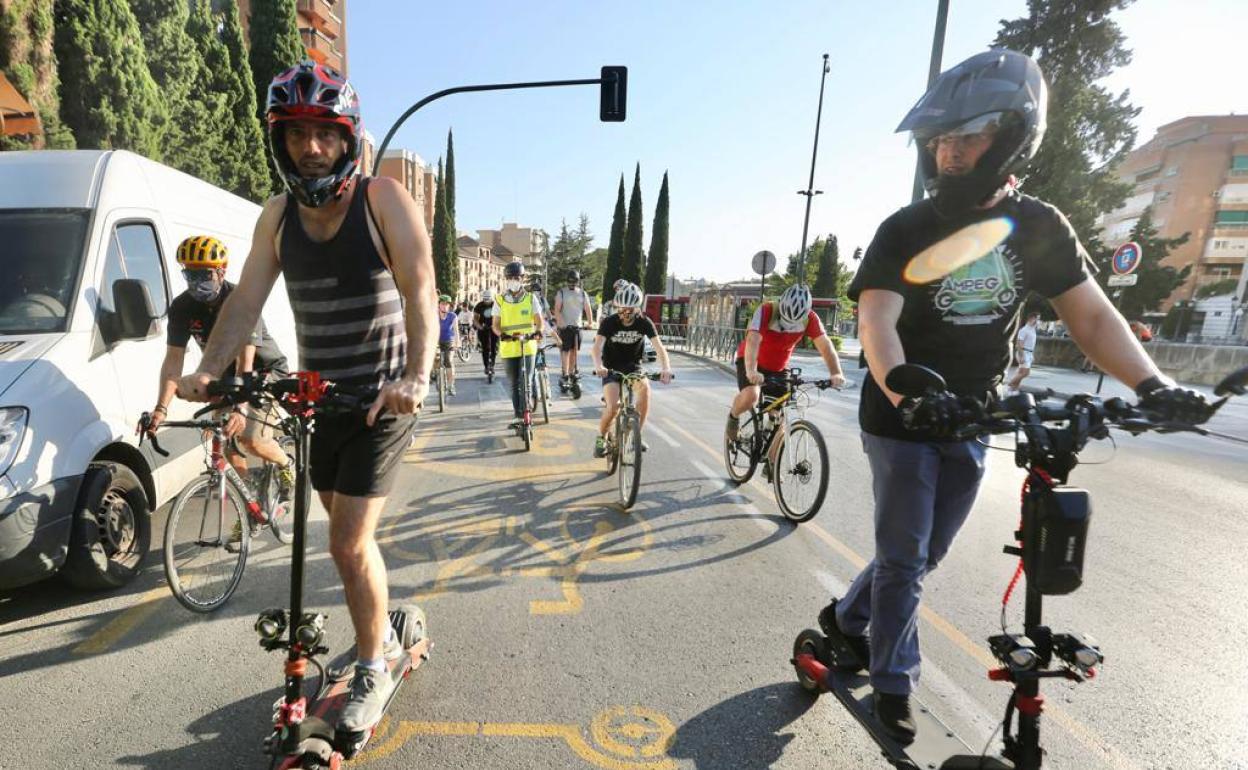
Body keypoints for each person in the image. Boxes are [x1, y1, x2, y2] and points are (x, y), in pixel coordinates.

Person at [817, 49, 1213, 743]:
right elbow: (876, 321)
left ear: (1009, 137)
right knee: (907, 560)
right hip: (902, 416)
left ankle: (847, 620)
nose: (949, 153)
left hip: (976, 416)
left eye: (966, 137)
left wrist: (1154, 385)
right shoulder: (905, 229)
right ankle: (892, 681)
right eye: (941, 140)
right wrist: (905, 391)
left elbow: (1090, 317)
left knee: (919, 556)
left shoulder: (1039, 226)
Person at [175, 61, 437, 734]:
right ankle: (375, 625)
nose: (311, 148)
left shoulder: (383, 200)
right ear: (279, 140)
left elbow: (421, 292)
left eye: (325, 133)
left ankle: (373, 668)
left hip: (382, 402)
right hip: (318, 403)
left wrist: (414, 376)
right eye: (296, 134)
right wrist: (208, 370)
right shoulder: (277, 217)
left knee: (347, 544)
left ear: (348, 140)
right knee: (346, 540)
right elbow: (244, 302)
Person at [145, 235, 293, 495]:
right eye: (189, 275)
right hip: (226, 375)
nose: (196, 282)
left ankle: (285, 464)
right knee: (227, 440)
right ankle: (249, 507)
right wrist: (160, 410)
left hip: (263, 370)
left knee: (250, 439)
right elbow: (173, 361)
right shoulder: (182, 307)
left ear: (221, 272)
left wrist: (240, 406)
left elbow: (245, 360)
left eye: (203, 275)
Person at [725, 284, 847, 472]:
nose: (787, 327)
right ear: (780, 305)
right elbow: (753, 340)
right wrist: (751, 370)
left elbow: (826, 346)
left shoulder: (811, 319)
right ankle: (733, 417)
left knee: (781, 413)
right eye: (784, 320)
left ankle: (772, 465)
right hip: (751, 360)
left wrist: (836, 373)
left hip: (778, 367)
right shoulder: (766, 311)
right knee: (752, 395)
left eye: (793, 323)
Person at [591, 282, 673, 458]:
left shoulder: (644, 323)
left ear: (637, 309)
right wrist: (599, 366)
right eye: (621, 311)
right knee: (613, 407)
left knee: (645, 390)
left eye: (630, 311)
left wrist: (666, 368)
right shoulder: (609, 322)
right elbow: (597, 347)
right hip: (611, 367)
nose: (626, 315)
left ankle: (636, 434)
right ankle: (602, 437)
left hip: (633, 366)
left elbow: (659, 348)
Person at [492, 261, 546, 427]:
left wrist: (538, 331)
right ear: (506, 279)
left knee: (526, 381)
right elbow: (495, 325)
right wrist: (502, 334)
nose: (513, 280)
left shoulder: (531, 299)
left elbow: (539, 322)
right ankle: (518, 415)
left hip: (528, 346)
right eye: (510, 277)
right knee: (514, 383)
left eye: (516, 277)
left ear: (522, 278)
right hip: (509, 348)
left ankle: (526, 412)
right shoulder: (499, 300)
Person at [553, 270, 595, 392]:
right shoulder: (561, 293)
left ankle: (571, 372)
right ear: (567, 281)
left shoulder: (582, 294)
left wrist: (590, 322)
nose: (572, 284)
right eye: (570, 281)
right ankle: (565, 374)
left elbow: (588, 309)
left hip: (577, 327)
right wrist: (561, 323)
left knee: (574, 351)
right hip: (565, 327)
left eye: (574, 281)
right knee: (566, 351)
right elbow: (557, 310)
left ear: (577, 282)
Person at [1006, 311, 1040, 394]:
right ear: (1032, 318)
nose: (1038, 321)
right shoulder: (1024, 330)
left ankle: (1013, 389)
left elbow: (1031, 344)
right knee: (1025, 373)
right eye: (1037, 319)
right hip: (1024, 353)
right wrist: (1022, 356)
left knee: (1021, 372)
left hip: (1029, 353)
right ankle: (1010, 384)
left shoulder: (1032, 329)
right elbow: (1019, 344)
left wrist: (1032, 355)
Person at [435, 294, 459, 396]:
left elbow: (456, 331)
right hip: (436, 341)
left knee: (448, 361)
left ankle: (450, 386)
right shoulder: (434, 315)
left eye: (447, 304)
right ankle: (436, 376)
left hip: (449, 342)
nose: (445, 306)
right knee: (434, 360)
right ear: (439, 305)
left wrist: (457, 344)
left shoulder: (452, 316)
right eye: (443, 304)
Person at [473, 291, 499, 377]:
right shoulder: (479, 306)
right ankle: (486, 366)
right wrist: (480, 327)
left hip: (494, 327)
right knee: (485, 348)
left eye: (488, 300)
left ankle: (492, 365)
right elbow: (475, 319)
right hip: (483, 328)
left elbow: (500, 316)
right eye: (485, 300)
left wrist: (498, 326)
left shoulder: (496, 305)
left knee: (494, 347)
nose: (486, 302)